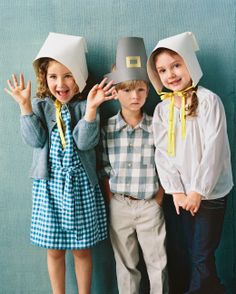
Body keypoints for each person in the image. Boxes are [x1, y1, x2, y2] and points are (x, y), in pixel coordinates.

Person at [5, 32, 115, 294]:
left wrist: (90, 111)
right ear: (44, 77)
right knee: (54, 250)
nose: (61, 83)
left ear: (78, 77)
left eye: (68, 75)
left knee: (81, 249)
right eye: (53, 76)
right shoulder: (41, 106)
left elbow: (85, 143)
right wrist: (24, 106)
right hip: (49, 187)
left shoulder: (85, 105)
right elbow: (35, 140)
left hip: (80, 187)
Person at [147, 31, 233, 294]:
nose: (170, 74)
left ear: (189, 65)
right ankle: (215, 288)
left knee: (201, 254)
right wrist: (176, 190)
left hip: (209, 192)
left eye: (176, 65)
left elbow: (214, 150)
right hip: (182, 195)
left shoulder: (209, 101)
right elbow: (162, 152)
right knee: (193, 252)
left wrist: (198, 190)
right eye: (162, 70)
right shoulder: (163, 110)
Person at [101, 37, 168, 294]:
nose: (134, 96)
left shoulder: (156, 126)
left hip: (150, 204)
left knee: (158, 263)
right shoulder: (107, 128)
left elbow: (165, 164)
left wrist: (158, 199)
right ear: (115, 92)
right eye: (127, 90)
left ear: (148, 91)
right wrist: (111, 198)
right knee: (126, 265)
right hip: (120, 204)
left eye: (140, 89)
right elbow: (104, 166)